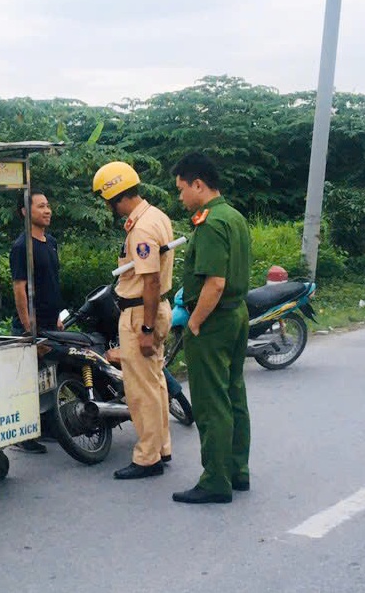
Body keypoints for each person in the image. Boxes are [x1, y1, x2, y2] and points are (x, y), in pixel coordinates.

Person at [170, 152, 252, 505]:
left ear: (198, 184)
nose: (180, 197)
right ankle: (237, 471)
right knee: (233, 393)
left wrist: (194, 322)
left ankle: (215, 481)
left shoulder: (211, 223)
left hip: (214, 319)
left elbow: (214, 283)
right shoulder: (234, 217)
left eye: (181, 189)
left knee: (210, 400)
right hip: (237, 314)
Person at [92, 161, 174, 480]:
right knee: (155, 383)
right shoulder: (156, 216)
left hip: (142, 311)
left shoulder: (141, 227)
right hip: (152, 307)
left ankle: (147, 458)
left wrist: (146, 329)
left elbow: (150, 280)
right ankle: (161, 447)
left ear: (114, 195)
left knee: (141, 390)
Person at [9, 189, 64, 454]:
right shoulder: (22, 246)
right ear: (25, 212)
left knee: (47, 376)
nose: (47, 210)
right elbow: (19, 288)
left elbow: (53, 280)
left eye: (48, 205)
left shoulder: (50, 242)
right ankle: (25, 435)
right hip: (32, 326)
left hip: (51, 321)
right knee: (30, 380)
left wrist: (57, 317)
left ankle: (48, 425)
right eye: (41, 206)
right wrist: (29, 328)